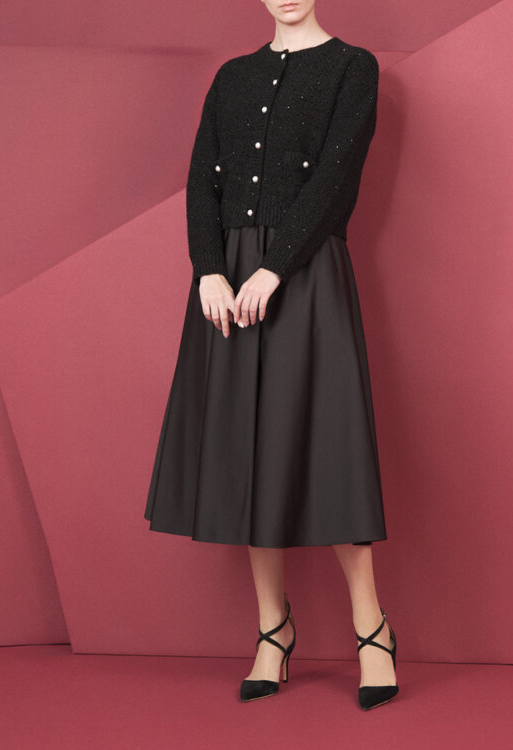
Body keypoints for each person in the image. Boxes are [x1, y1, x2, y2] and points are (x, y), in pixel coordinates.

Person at [144, 0, 398, 710]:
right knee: (248, 453)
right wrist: (208, 270)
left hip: (306, 275)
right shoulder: (232, 77)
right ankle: (272, 631)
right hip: (229, 286)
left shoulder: (352, 68)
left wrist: (273, 267)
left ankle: (371, 629)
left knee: (329, 449)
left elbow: (335, 180)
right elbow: (203, 178)